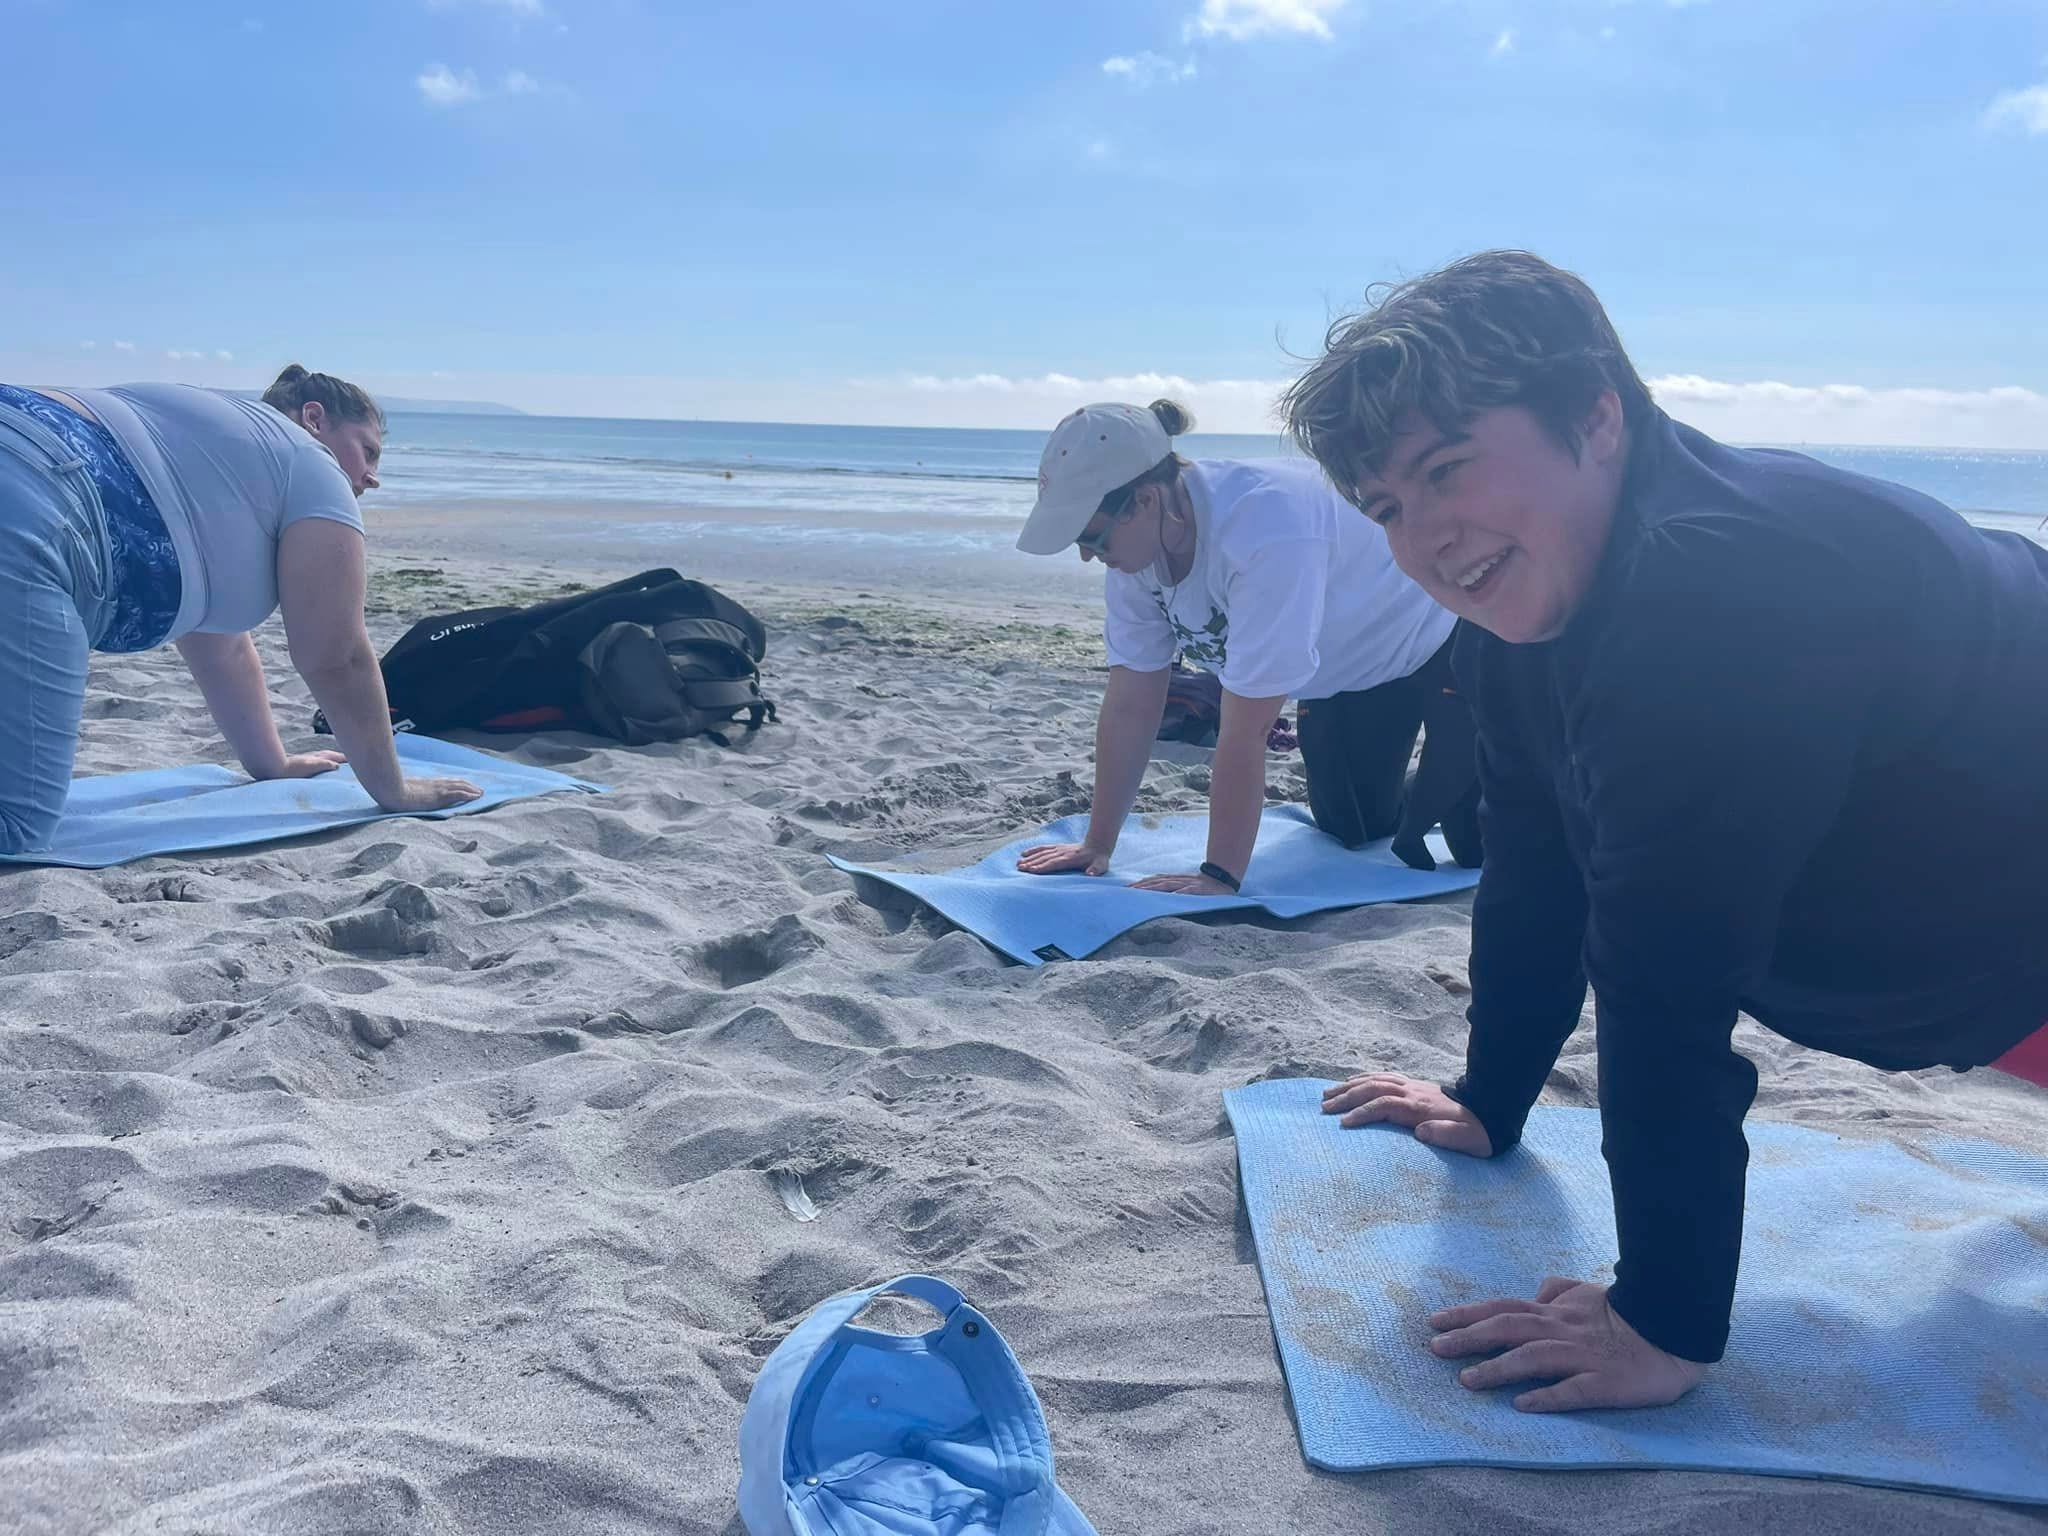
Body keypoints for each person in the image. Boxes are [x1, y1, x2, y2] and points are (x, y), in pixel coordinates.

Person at [1278, 250, 2048, 1413]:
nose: (1425, 537)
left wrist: (1660, 1321)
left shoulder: (1721, 594)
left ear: (1593, 416)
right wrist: (1489, 1096)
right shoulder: (1518, 618)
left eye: (1445, 470)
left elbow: (1661, 979)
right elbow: (1535, 865)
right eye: (1388, 508)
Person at [0, 366, 481, 855]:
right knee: (19, 824)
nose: (371, 477)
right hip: (41, 501)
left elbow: (220, 645)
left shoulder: (214, 454)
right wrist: (393, 789)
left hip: (22, 432)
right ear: (314, 419)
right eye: (367, 451)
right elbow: (336, 657)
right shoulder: (311, 462)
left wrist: (271, 762)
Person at [1011, 399, 1481, 898]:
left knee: (1479, 845)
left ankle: (1467, 778)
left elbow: (1247, 730)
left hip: (1436, 637)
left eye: (1092, 537)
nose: (1087, 555)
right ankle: (1436, 787)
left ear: (1146, 500)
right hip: (1343, 676)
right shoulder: (1136, 553)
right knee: (1355, 828)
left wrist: (1219, 875)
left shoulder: (1267, 528)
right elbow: (1131, 705)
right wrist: (1097, 843)